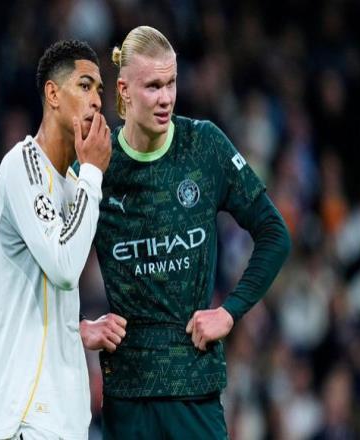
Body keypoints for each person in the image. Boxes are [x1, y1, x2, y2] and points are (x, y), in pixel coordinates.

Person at [80, 26, 291, 439]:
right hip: (128, 397)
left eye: (171, 83)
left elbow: (274, 233)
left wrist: (230, 311)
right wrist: (79, 326)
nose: (166, 98)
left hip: (194, 390)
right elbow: (50, 255)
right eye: (153, 86)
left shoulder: (203, 146)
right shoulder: (98, 161)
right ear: (123, 90)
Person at [0, 40, 114, 440]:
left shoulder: (75, 185)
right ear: (53, 94)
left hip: (65, 421)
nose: (97, 101)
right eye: (85, 86)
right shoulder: (22, 165)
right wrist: (93, 173)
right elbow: (63, 267)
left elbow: (49, 289)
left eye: (99, 91)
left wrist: (74, 331)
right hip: (28, 418)